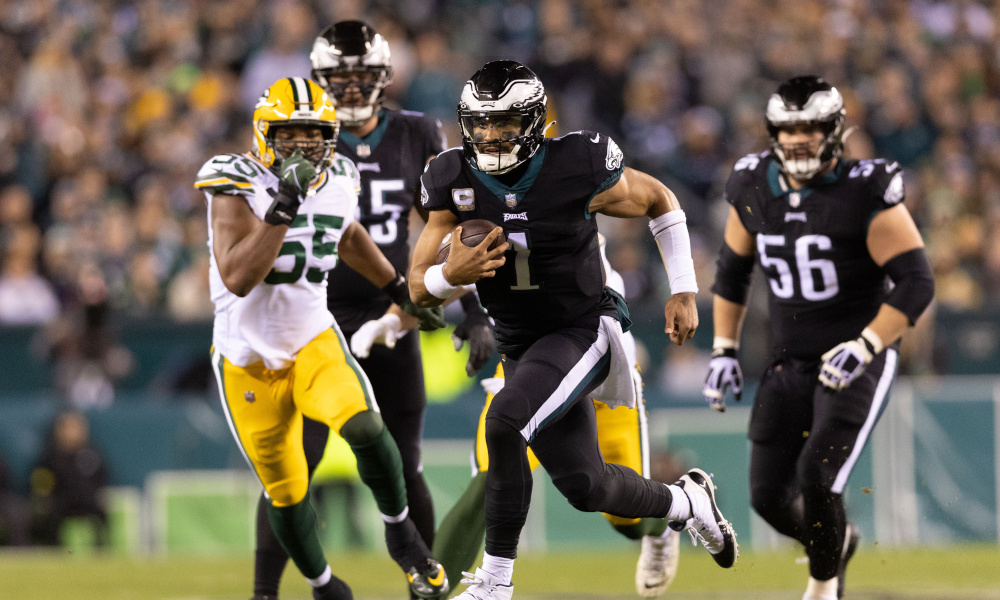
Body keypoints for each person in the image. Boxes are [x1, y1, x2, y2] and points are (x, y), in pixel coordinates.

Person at [409, 60, 738, 600]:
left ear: (535, 121)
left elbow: (659, 199)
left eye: (506, 123)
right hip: (520, 341)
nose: (491, 135)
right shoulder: (452, 178)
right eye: (482, 123)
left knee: (505, 424)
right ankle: (687, 503)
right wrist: (452, 274)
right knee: (587, 487)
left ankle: (494, 583)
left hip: (583, 325)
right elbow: (419, 287)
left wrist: (682, 287)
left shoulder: (576, 162)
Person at [245, 22, 496, 600]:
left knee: (403, 465)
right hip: (313, 315)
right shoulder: (303, 136)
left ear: (384, 77)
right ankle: (264, 592)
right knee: (293, 469)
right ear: (319, 80)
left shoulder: (413, 133)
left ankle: (425, 586)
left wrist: (476, 311)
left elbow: (452, 227)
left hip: (390, 312)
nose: (353, 89)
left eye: (363, 77)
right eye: (341, 78)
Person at [196, 76, 449, 600]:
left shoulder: (339, 176)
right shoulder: (233, 181)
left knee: (366, 427)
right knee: (286, 493)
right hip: (247, 358)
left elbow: (349, 233)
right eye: (291, 135)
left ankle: (401, 532)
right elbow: (238, 276)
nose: (305, 147)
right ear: (266, 134)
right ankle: (320, 584)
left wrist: (398, 288)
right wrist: (283, 205)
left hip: (313, 337)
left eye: (315, 135)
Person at [702, 76, 934, 600]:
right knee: (766, 496)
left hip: (857, 355)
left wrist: (868, 344)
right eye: (788, 129)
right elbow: (732, 271)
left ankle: (824, 587)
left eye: (810, 128)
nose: (799, 140)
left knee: (818, 474)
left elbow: (917, 282)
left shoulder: (862, 190)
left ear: (835, 131)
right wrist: (724, 348)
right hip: (790, 358)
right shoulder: (752, 185)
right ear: (772, 134)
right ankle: (838, 542)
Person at [432, 234, 681, 598]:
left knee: (624, 516)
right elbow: (435, 268)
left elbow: (653, 199)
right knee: (487, 482)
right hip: (527, 359)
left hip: (599, 359)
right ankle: (430, 594)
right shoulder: (473, 194)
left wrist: (685, 287)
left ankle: (660, 527)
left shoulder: (564, 190)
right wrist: (470, 306)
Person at [29, 411, 109, 547]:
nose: (71, 432)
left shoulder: (92, 454)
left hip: (88, 503)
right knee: (47, 514)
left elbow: (103, 479)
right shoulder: (50, 457)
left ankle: (102, 549)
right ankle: (52, 550)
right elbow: (40, 483)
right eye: (67, 427)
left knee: (103, 513)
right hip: (60, 503)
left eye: (76, 427)